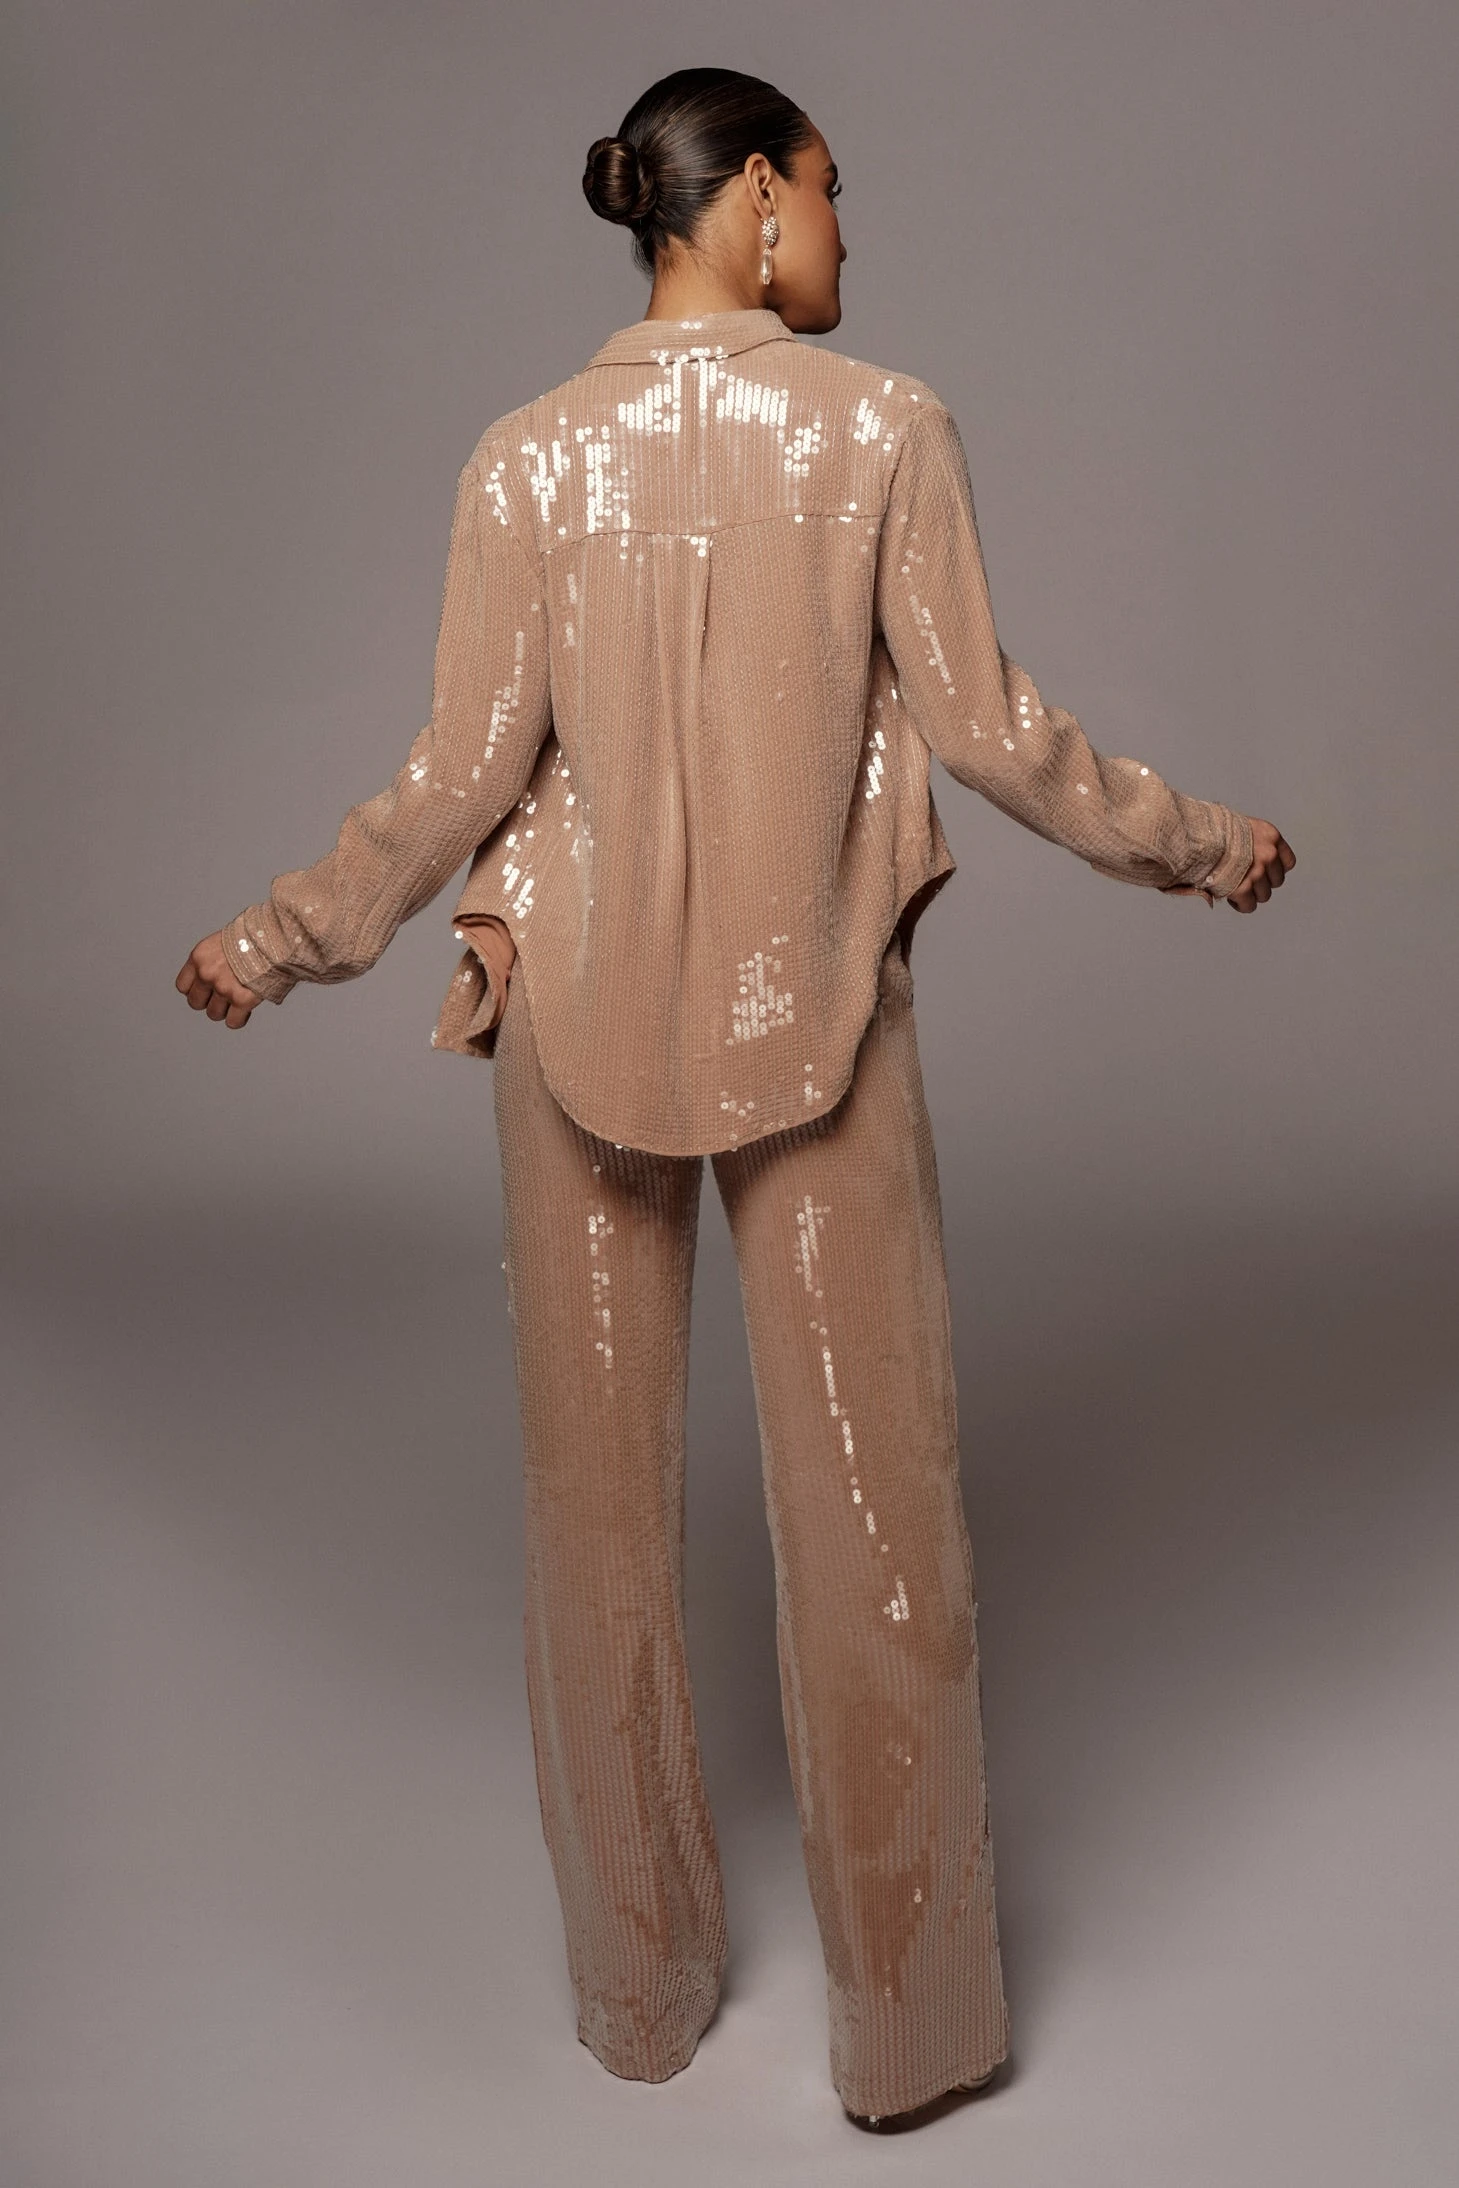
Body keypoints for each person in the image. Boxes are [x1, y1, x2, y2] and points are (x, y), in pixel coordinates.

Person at [175, 66, 1295, 2131]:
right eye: (835, 192)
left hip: (569, 1015)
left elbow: (461, 771)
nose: (850, 233)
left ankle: (638, 1996)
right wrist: (1202, 843)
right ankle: (911, 2035)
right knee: (879, 1523)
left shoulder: (524, 455)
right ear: (755, 198)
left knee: (591, 1531)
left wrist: (280, 936)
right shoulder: (884, 428)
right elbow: (991, 728)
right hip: (821, 1017)